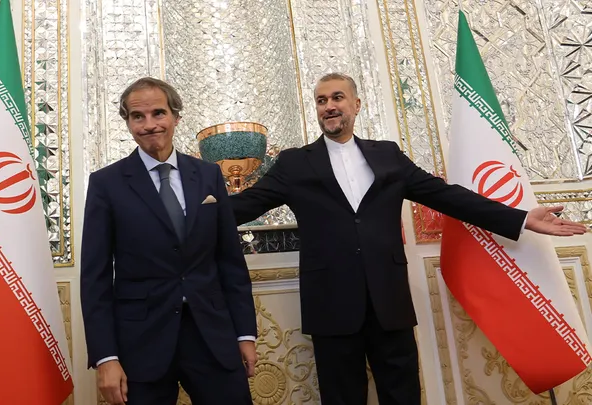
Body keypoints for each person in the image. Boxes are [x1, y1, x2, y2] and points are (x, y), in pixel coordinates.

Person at [229, 72, 587, 405]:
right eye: (321, 101)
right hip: (331, 306)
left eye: (337, 97)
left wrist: (521, 218)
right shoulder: (295, 163)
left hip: (390, 303)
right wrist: (185, 208)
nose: (329, 106)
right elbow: (244, 206)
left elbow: (447, 196)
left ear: (356, 104)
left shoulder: (387, 155)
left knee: (402, 396)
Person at [80, 77, 257, 405]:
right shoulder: (106, 184)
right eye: (138, 117)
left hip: (212, 337)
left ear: (176, 117)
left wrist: (245, 334)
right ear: (128, 122)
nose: (149, 125)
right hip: (141, 343)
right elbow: (96, 278)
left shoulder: (208, 175)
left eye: (158, 113)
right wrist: (106, 357)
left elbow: (230, 260)